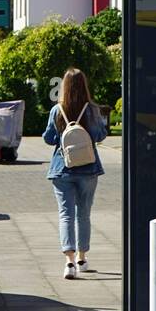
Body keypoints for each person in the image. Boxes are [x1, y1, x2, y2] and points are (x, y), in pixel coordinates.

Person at [42, 68, 108, 280]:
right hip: (88, 167)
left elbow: (49, 138)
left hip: (62, 168)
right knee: (84, 213)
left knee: (65, 214)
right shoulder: (92, 110)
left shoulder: (57, 110)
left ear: (65, 86)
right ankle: (82, 258)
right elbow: (100, 135)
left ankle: (68, 262)